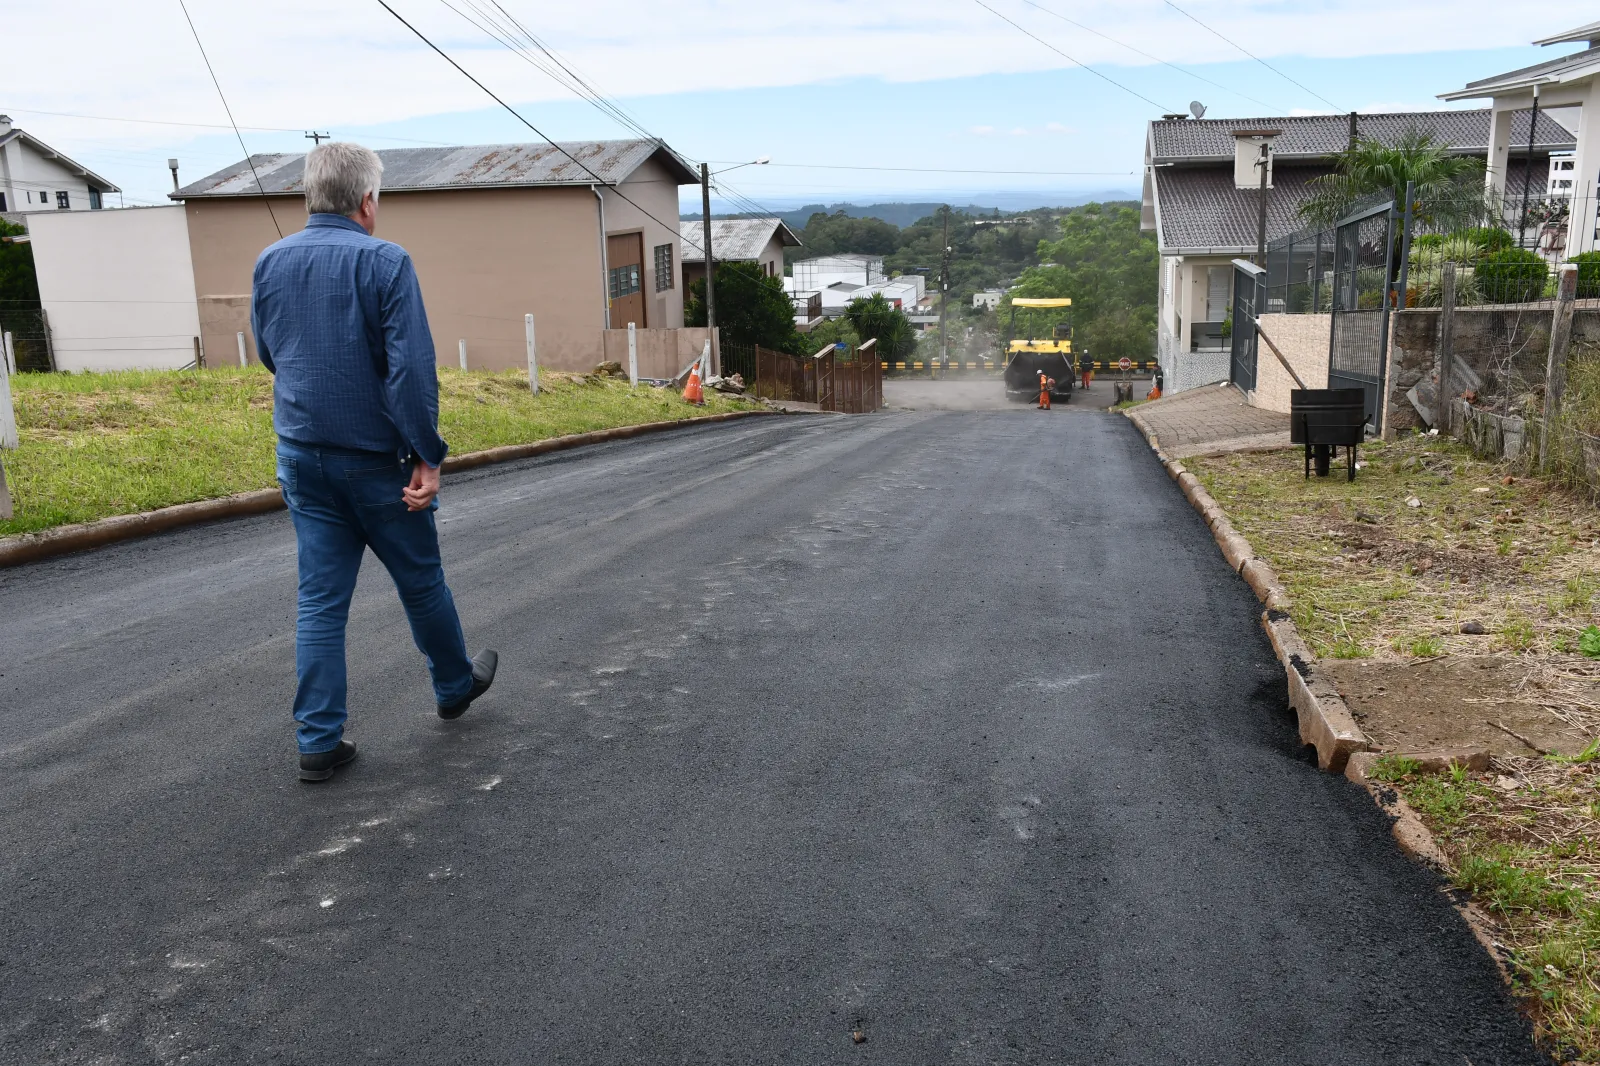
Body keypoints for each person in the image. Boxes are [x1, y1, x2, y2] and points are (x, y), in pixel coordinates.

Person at [251, 142, 497, 783]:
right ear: (367, 200)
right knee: (420, 581)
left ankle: (319, 742)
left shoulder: (269, 262)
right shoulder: (387, 262)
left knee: (320, 603)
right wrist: (427, 455)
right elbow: (411, 371)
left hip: (303, 458)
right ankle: (452, 686)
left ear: (309, 195)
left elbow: (271, 355)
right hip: (376, 463)